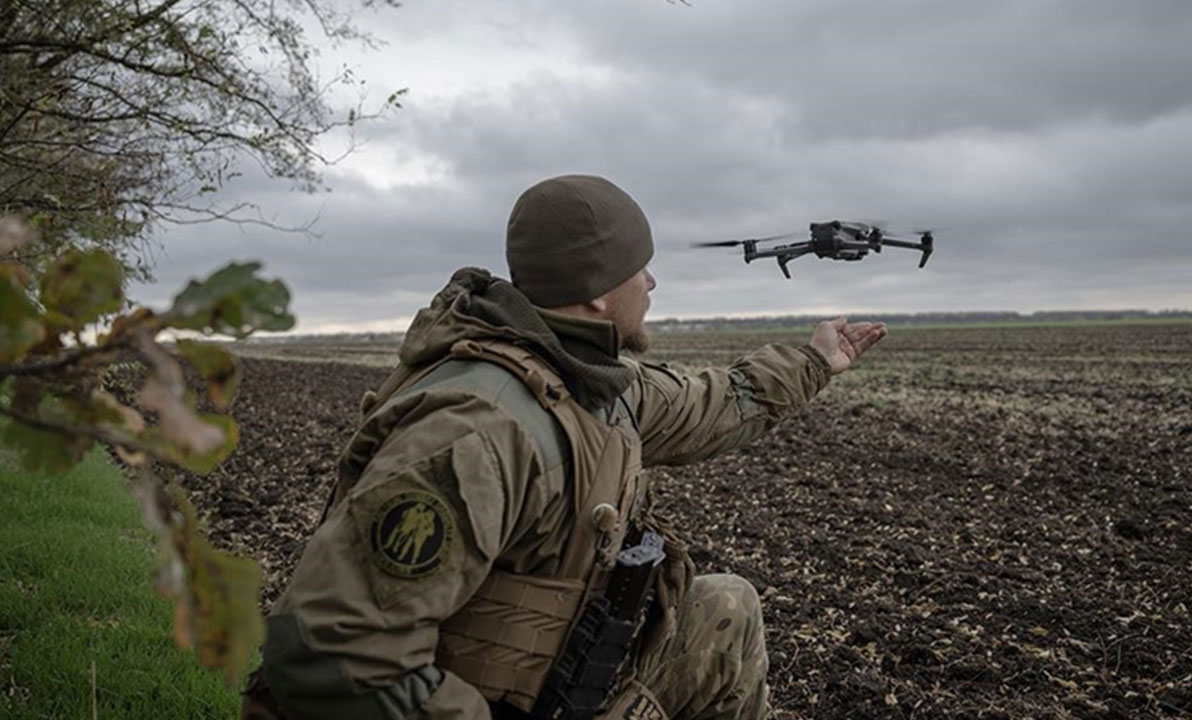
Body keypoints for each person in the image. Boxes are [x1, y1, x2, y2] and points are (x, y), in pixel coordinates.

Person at [241, 175, 887, 720]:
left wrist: (813, 362)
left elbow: (712, 401)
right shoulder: (480, 429)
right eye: (641, 268)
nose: (653, 283)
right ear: (600, 291)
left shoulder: (592, 384)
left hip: (553, 691)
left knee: (724, 608)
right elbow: (331, 652)